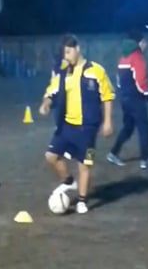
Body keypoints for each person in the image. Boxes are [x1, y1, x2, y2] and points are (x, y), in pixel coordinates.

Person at [39, 33, 114, 215]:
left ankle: (82, 200)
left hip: (88, 129)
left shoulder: (96, 70)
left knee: (85, 164)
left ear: (77, 49)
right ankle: (68, 181)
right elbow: (51, 91)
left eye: (68, 52)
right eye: (64, 53)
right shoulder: (63, 73)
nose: (66, 57)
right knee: (51, 156)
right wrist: (46, 103)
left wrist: (107, 121)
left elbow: (107, 96)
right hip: (66, 126)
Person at [107, 30, 148, 169]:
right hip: (136, 99)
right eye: (144, 42)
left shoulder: (123, 56)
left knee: (128, 127)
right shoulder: (137, 56)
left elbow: (119, 81)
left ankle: (113, 153)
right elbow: (141, 80)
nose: (145, 44)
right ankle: (144, 159)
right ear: (139, 42)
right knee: (144, 129)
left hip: (125, 99)